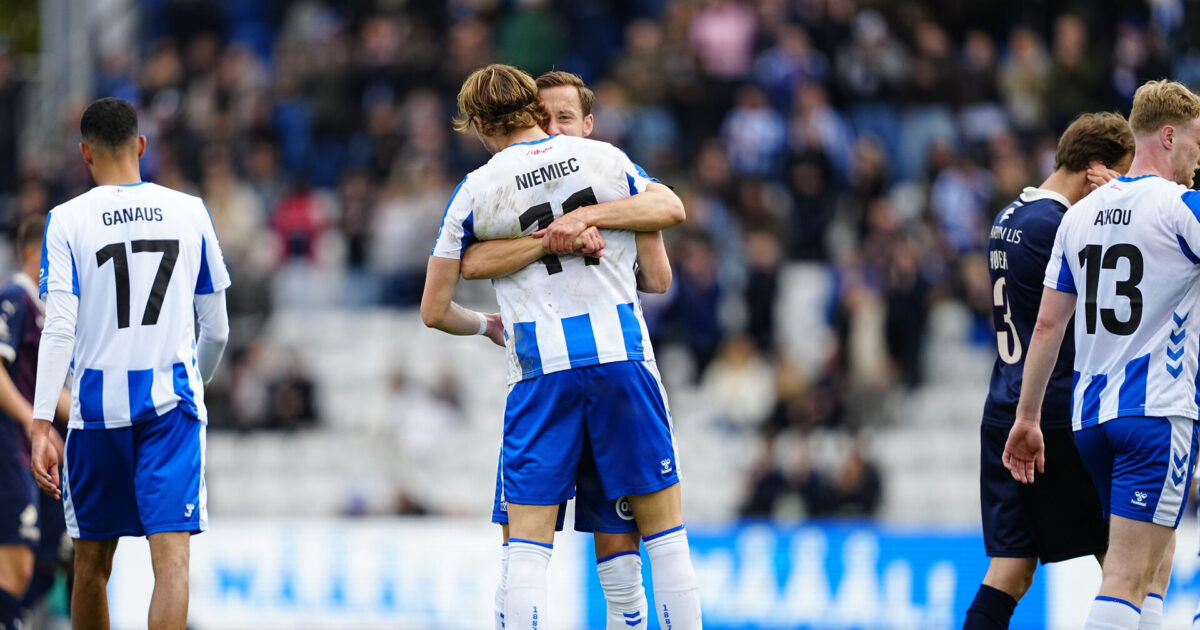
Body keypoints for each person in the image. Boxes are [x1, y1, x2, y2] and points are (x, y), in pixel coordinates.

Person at [422, 64, 701, 630]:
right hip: (621, 358)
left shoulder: (476, 189)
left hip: (539, 372)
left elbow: (434, 310)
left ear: (477, 122)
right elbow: (671, 209)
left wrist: (485, 324)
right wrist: (575, 224)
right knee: (665, 535)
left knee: (526, 548)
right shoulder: (606, 160)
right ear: (532, 105)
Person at [1005, 79, 1200, 630]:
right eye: (1196, 143)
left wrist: (1026, 418)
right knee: (1124, 579)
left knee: (1152, 571)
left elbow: (1047, 325)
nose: (1198, 157)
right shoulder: (1182, 207)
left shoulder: (1079, 215)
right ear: (1168, 136)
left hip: (1090, 422)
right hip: (1156, 414)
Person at [29, 97, 230, 630]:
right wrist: (196, 383)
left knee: (92, 565)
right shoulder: (191, 211)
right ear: (141, 145)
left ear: (84, 155)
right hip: (171, 409)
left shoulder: (66, 220)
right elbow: (219, 328)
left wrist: (42, 420)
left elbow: (59, 326)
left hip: (97, 415)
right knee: (172, 562)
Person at [964, 112, 1134, 630]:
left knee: (1012, 570)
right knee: (1125, 562)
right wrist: (1118, 203)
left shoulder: (1011, 215)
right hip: (1051, 415)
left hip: (1004, 409)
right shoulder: (1061, 225)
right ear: (1096, 170)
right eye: (1119, 175)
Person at [0, 216, 70, 629]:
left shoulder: (47, 314)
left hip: (33, 451)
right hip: (10, 441)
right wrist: (32, 422)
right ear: (33, 254)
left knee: (50, 558)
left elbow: (55, 390)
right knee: (17, 566)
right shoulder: (15, 298)